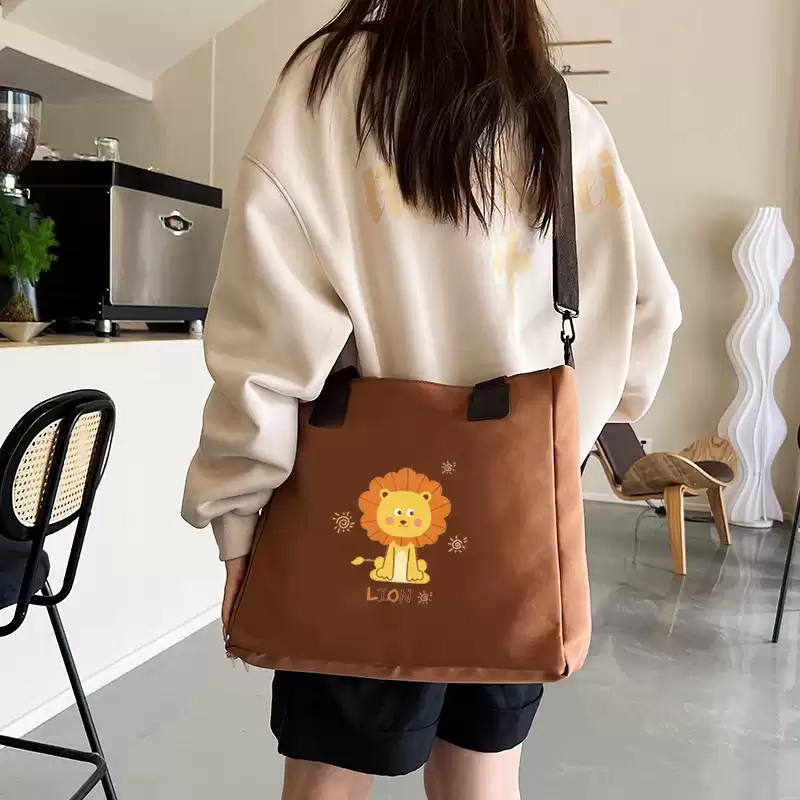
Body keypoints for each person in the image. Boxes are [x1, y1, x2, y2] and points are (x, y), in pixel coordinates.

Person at [182, 0, 682, 796]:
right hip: (516, 527)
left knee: (327, 784)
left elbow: (266, 344)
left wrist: (238, 516)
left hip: (350, 511)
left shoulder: (327, 89)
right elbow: (651, 316)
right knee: (482, 782)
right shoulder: (558, 113)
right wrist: (563, 441)